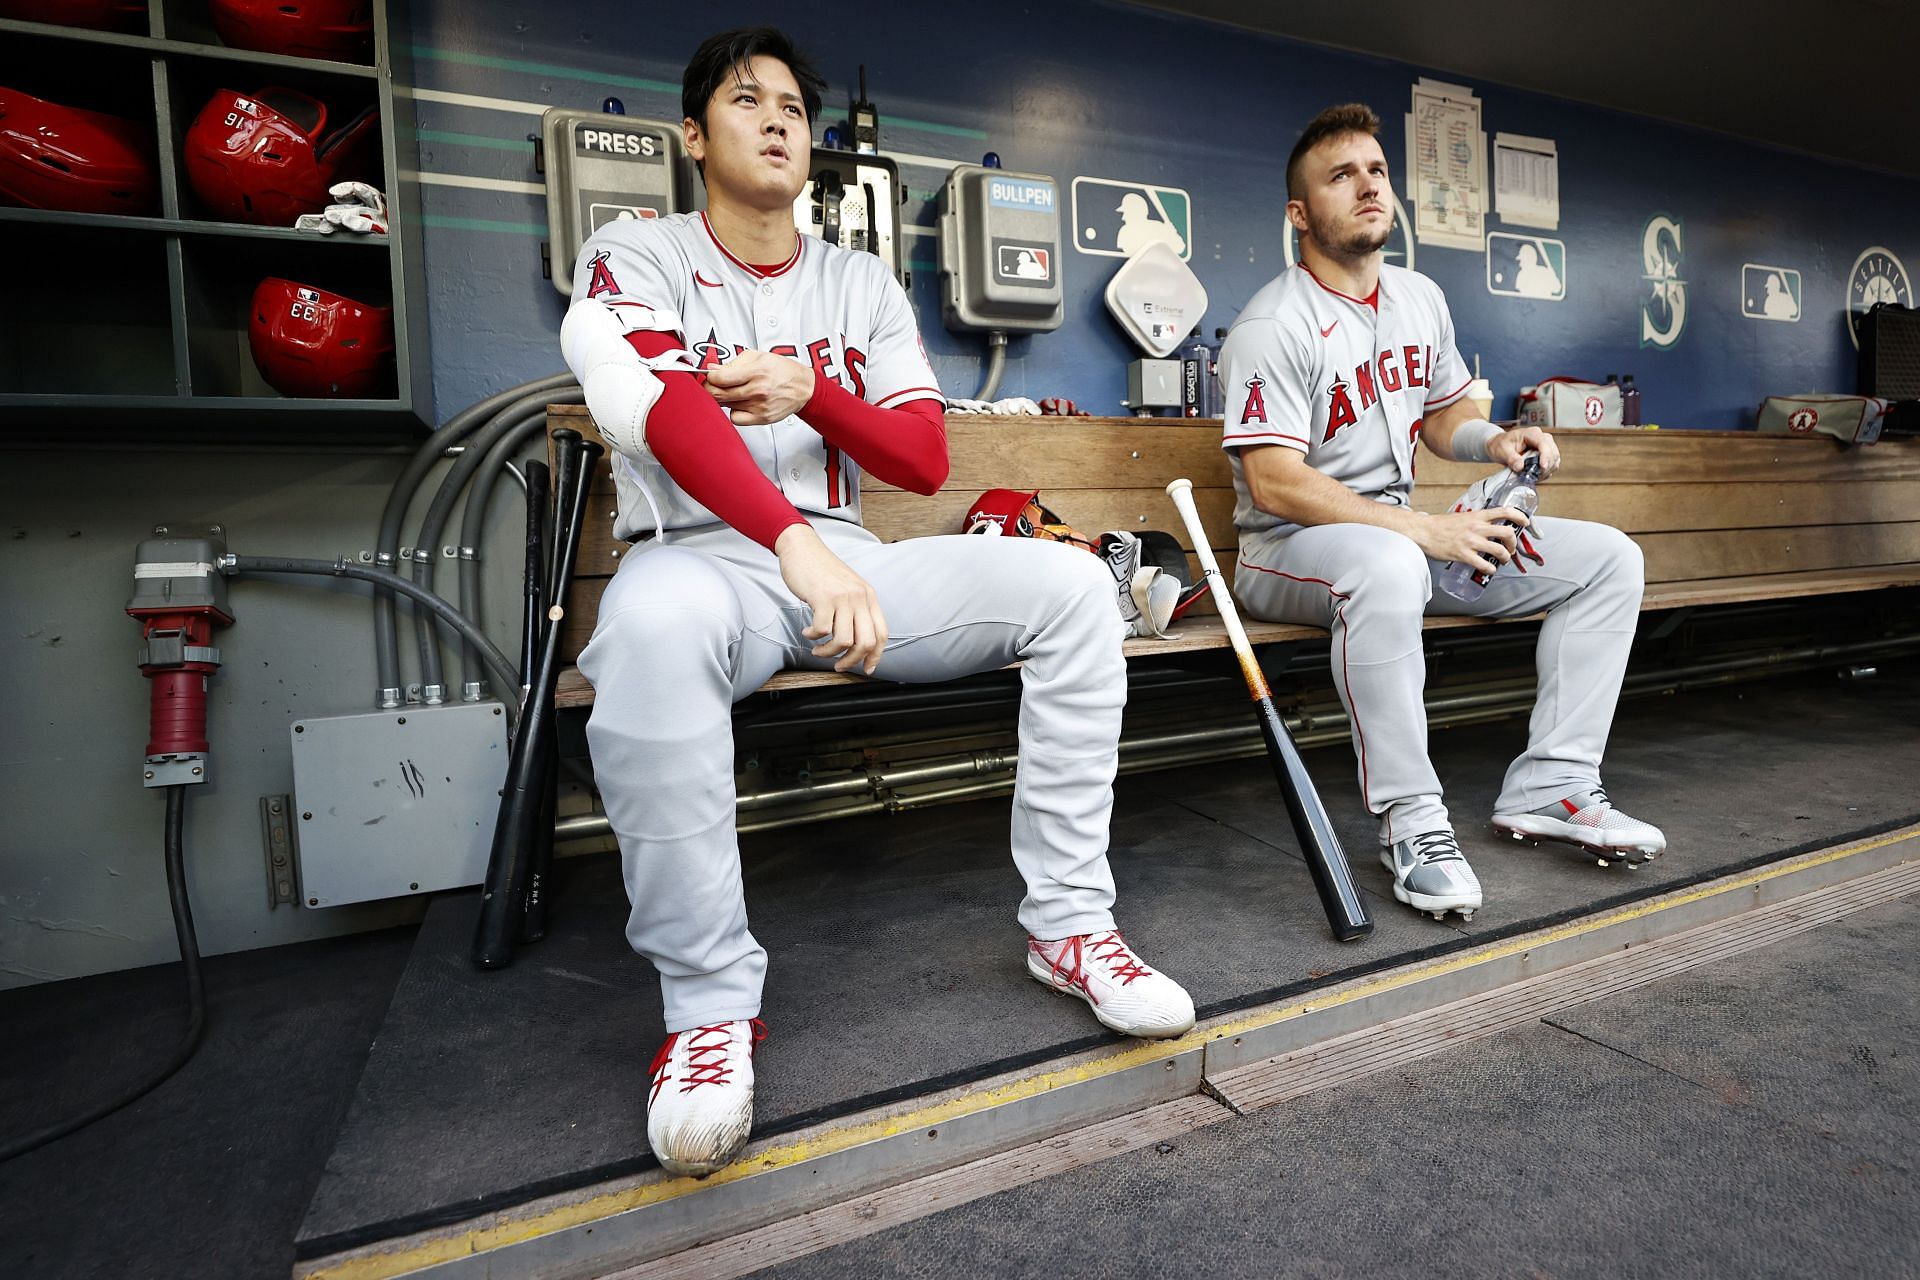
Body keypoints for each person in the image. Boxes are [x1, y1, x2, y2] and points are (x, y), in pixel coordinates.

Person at [559, 26, 1194, 1179]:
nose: (777, 119)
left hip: (852, 562)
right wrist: (795, 544)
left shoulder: (856, 282)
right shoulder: (636, 251)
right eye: (746, 101)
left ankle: (1069, 926)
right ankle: (707, 1012)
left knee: (1070, 585)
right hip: (702, 562)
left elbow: (917, 456)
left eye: (794, 105)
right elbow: (655, 404)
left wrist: (813, 393)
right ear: (694, 135)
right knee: (647, 631)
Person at [1215, 103, 1665, 923]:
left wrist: (1496, 441)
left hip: (1393, 540)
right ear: (1299, 213)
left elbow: (1441, 417)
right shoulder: (1272, 325)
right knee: (1389, 564)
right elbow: (1276, 483)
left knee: (1609, 558)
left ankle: (1555, 786)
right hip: (1287, 553)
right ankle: (1411, 822)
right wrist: (1426, 530)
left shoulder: (1418, 298)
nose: (1367, 186)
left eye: (1377, 171)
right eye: (1340, 175)